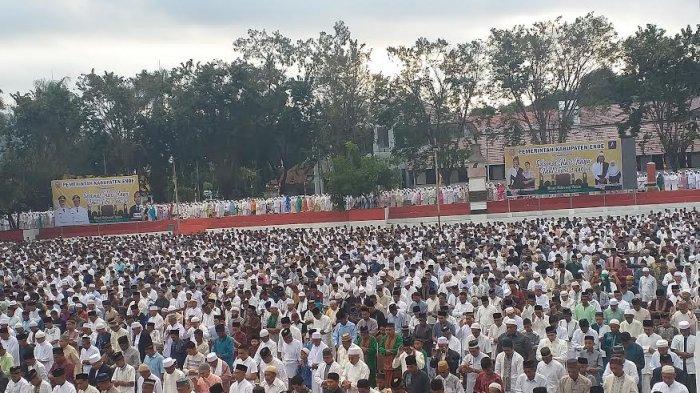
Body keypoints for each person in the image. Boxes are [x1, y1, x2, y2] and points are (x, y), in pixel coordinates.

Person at [670, 320, 695, 393]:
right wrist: (681, 353)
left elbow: (698, 351)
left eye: (685, 330)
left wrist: (689, 355)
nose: (683, 332)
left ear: (688, 329)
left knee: (692, 386)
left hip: (691, 364)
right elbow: (673, 349)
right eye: (682, 330)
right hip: (680, 364)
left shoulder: (694, 338)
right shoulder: (676, 337)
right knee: (680, 386)